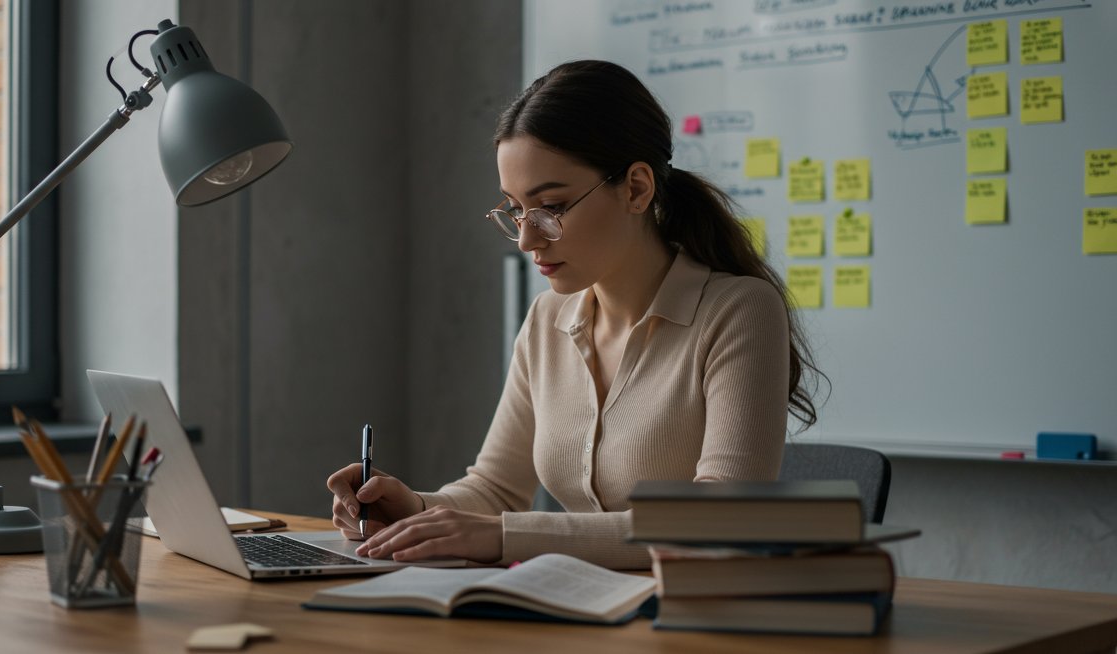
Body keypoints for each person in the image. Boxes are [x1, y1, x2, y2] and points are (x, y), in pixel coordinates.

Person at [327, 60, 823, 570]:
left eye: (553, 207)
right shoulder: (548, 318)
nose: (526, 238)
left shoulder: (738, 312)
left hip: (689, 624)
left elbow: (720, 522)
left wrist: (503, 538)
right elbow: (495, 490)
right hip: (578, 614)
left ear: (636, 188)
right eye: (516, 209)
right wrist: (415, 512)